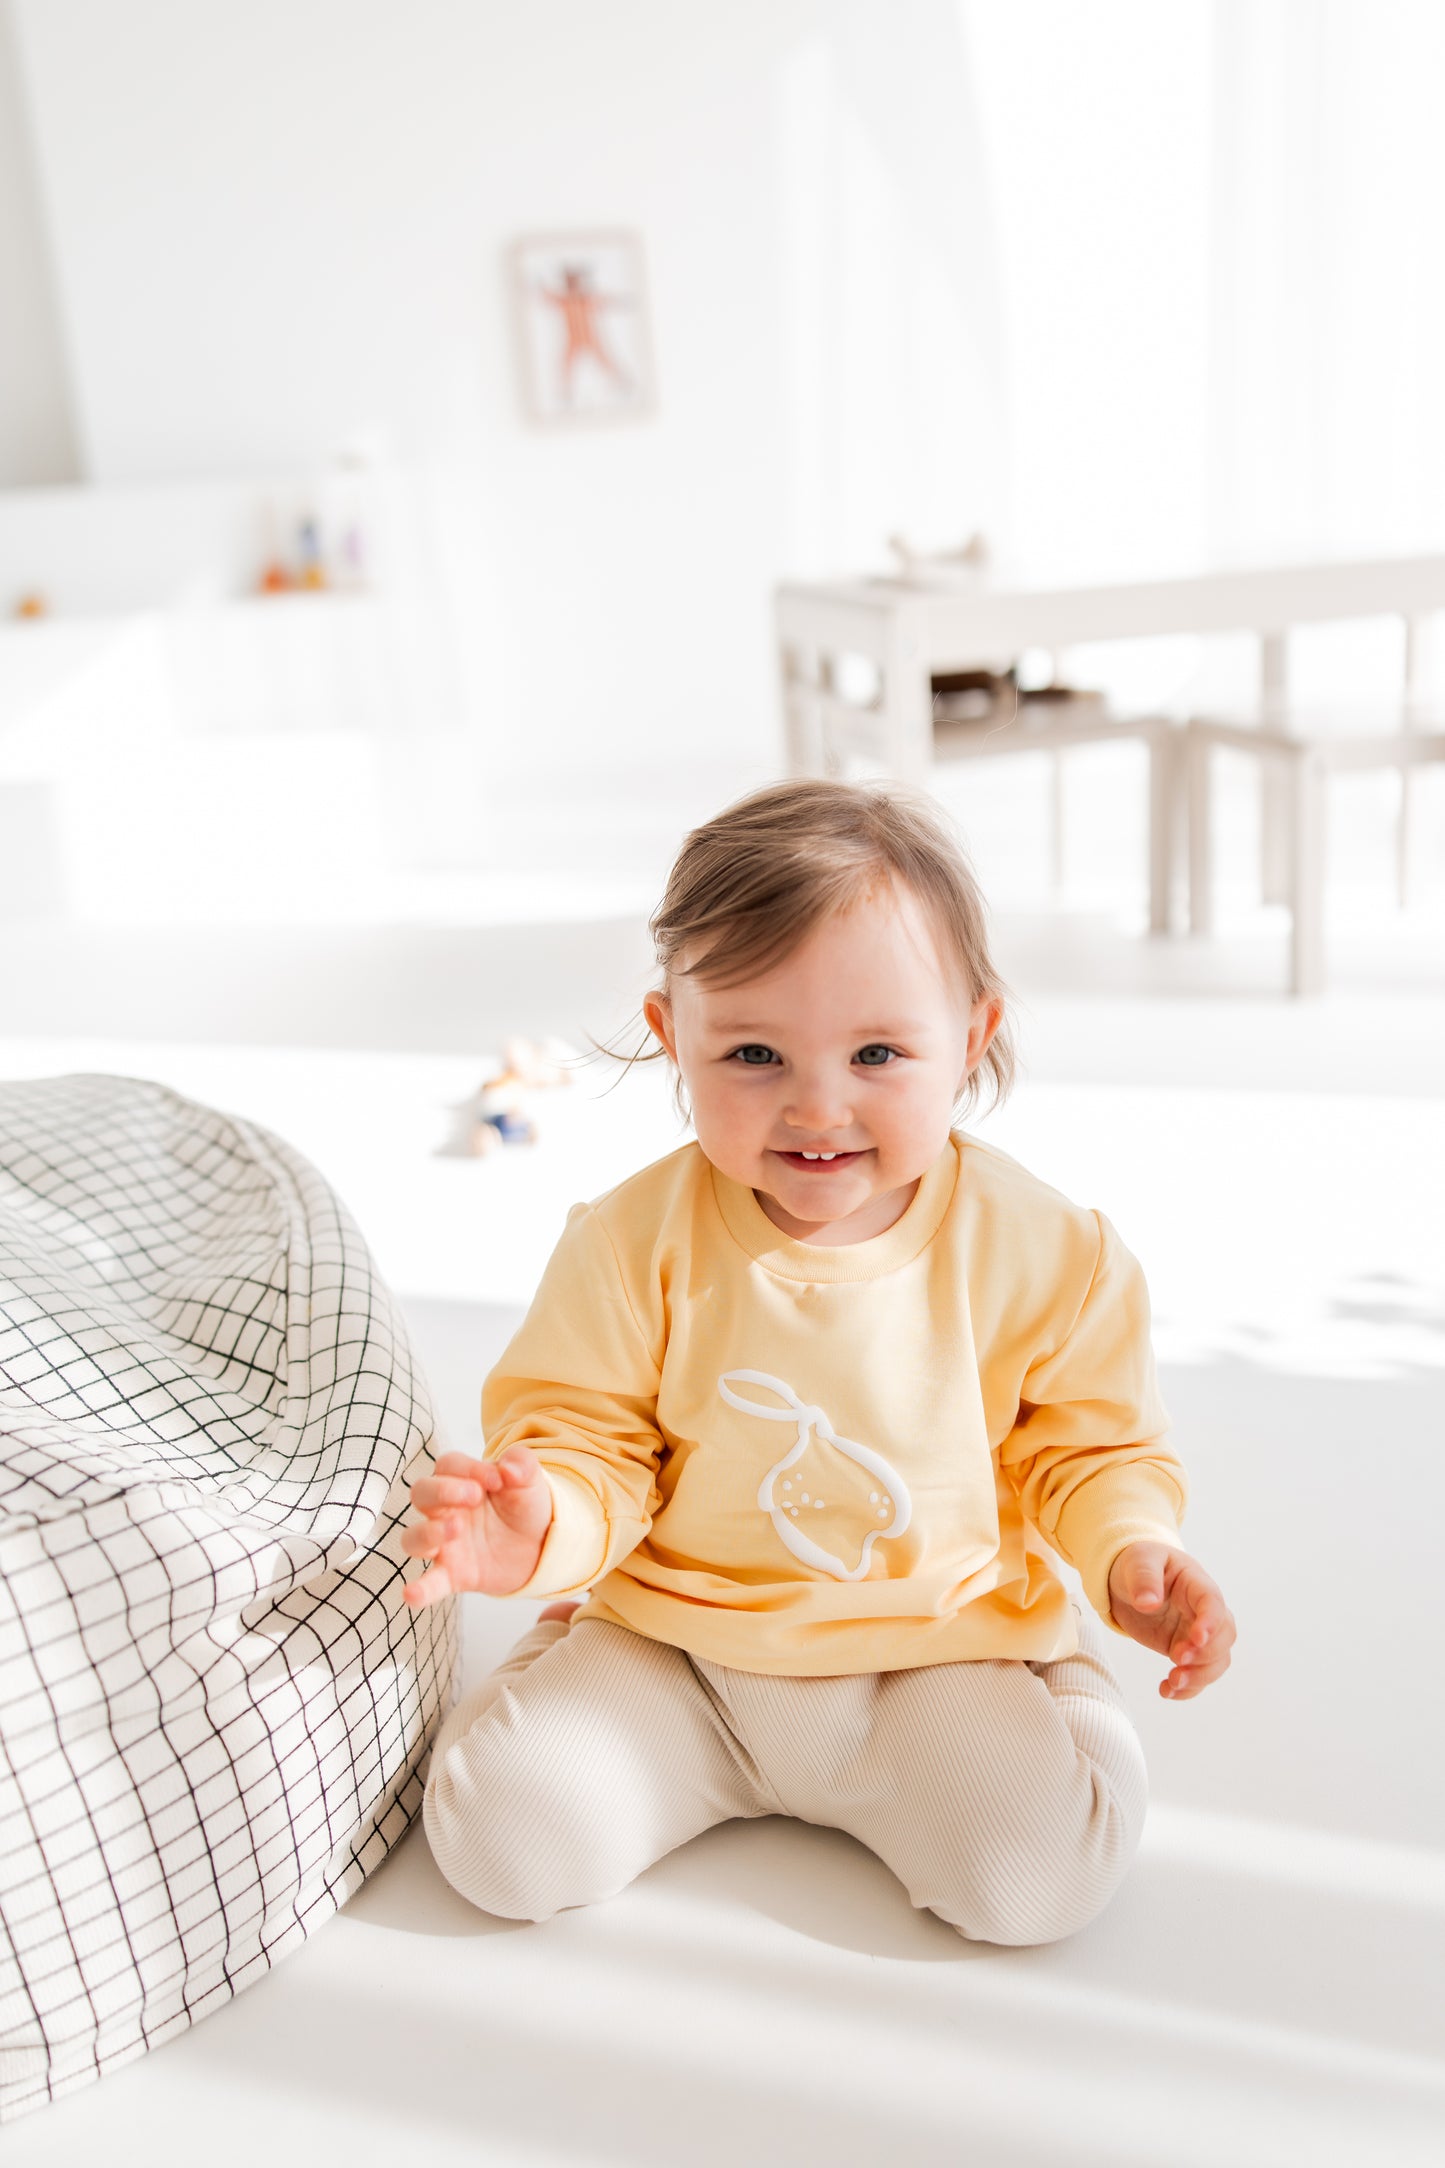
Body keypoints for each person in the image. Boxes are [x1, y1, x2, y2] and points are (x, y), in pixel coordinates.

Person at [401, 780, 1235, 1944]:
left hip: (936, 1654)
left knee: (1038, 1878)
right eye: (751, 1051)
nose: (816, 1105)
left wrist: (1127, 1551)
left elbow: (1092, 1446)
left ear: (971, 1039)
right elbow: (589, 1434)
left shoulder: (1047, 1248)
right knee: (501, 1839)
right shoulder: (631, 1240)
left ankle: (1059, 1680)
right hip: (681, 1651)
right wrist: (543, 1521)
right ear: (670, 1039)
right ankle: (569, 1648)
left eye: (878, 1051)